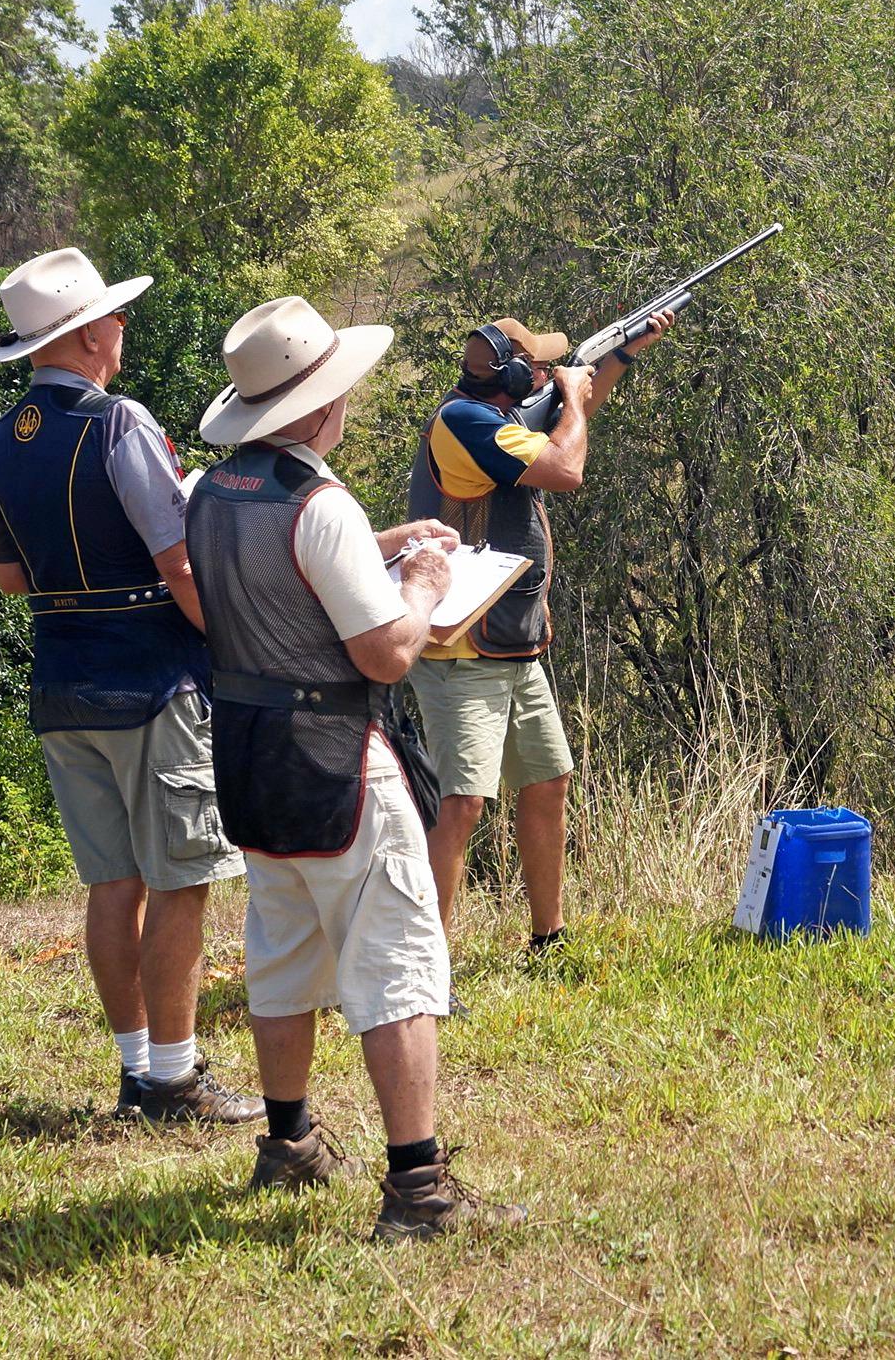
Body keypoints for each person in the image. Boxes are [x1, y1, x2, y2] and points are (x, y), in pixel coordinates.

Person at [188, 295, 521, 1238]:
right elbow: (385, 655)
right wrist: (416, 582)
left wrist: (377, 551)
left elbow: (262, 580)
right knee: (399, 964)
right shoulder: (319, 501)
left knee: (283, 949)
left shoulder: (215, 492)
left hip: (248, 750)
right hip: (338, 755)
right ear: (318, 406)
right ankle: (418, 1187)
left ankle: (288, 1143)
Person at [0, 248, 260, 1127]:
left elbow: (10, 580)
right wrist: (240, 640)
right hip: (150, 677)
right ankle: (175, 1081)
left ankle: (138, 1071)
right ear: (92, 331)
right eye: (118, 317)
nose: (122, 328)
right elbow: (177, 558)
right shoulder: (118, 422)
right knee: (180, 879)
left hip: (60, 676)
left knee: (113, 883)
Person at [403, 311, 670, 962]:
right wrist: (574, 397)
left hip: (512, 639)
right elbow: (565, 465)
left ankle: (549, 939)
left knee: (548, 780)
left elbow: (562, 419)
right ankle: (427, 967)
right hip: (463, 646)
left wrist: (619, 359)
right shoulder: (465, 424)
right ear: (515, 375)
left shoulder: (493, 418)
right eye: (540, 365)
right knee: (462, 805)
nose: (550, 371)